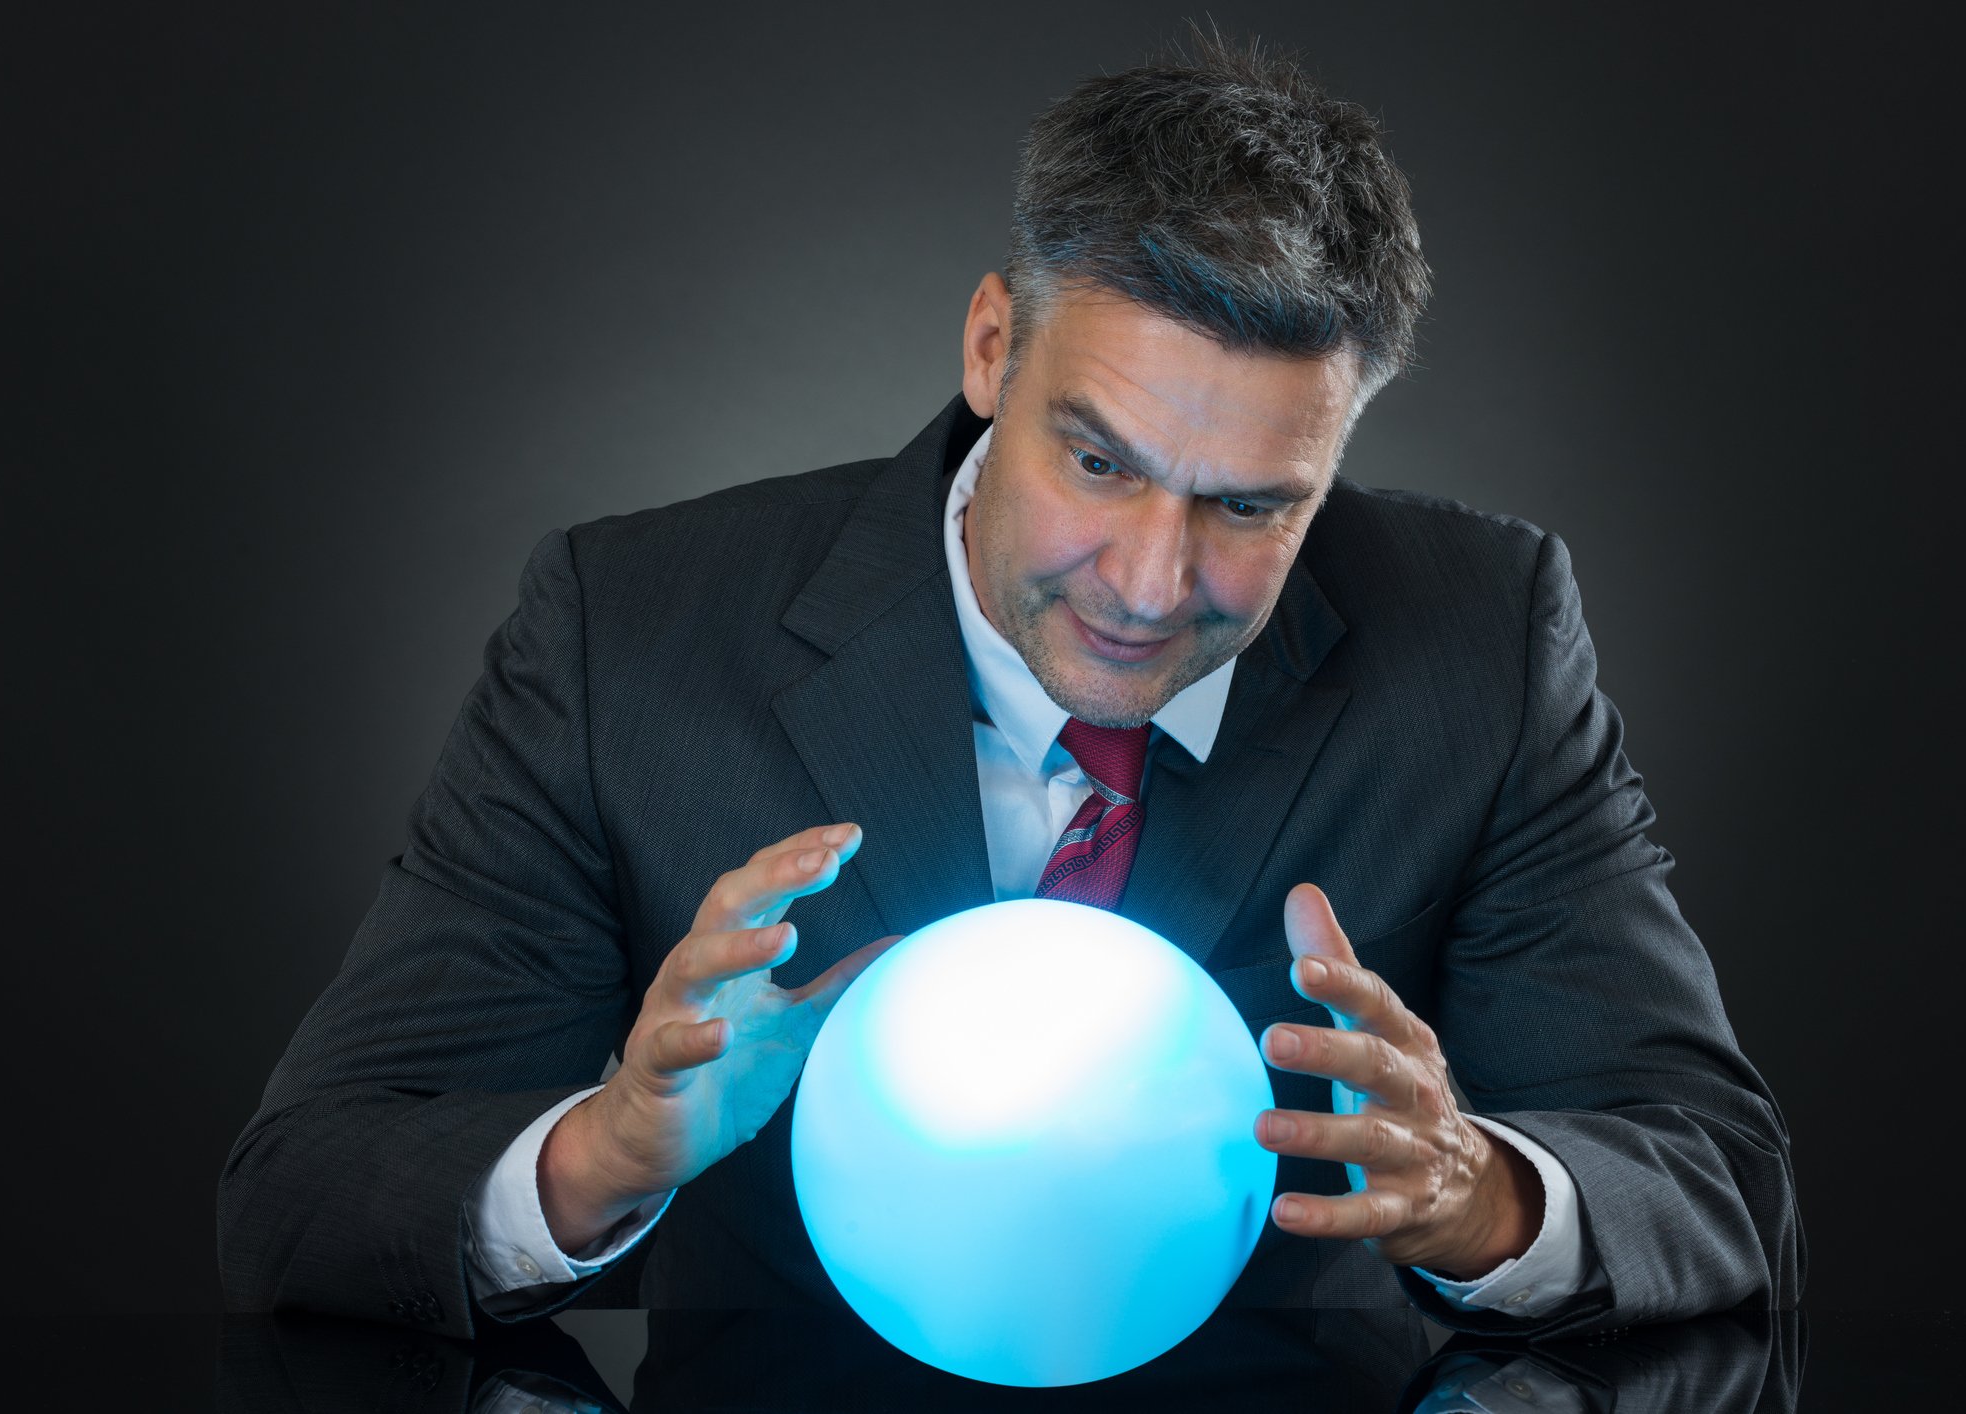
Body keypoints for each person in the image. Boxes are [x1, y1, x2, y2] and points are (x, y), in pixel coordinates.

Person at [219, 27, 1803, 1344]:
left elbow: (1718, 1174)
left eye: (1251, 504)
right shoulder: (626, 630)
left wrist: (1480, 1191)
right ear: (992, 346)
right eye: (1097, 459)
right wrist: (601, 1150)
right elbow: (299, 1192)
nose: (1148, 579)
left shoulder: (1479, 639)